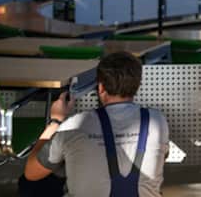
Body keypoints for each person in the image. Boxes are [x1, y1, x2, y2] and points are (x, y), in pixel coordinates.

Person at [23, 51, 170, 197]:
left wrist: (56, 121)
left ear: (100, 88)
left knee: (33, 184)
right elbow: (161, 157)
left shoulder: (75, 125)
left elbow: (31, 173)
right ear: (137, 86)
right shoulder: (157, 121)